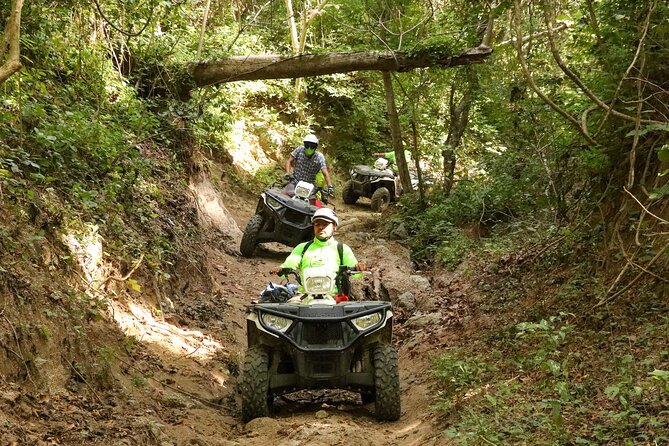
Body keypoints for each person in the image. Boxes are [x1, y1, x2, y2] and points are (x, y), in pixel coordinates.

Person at [270, 208, 366, 302]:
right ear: (314, 227)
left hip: (333, 297)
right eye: (317, 224)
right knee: (290, 310)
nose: (321, 227)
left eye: (325, 224)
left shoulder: (342, 249)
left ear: (334, 227)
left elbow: (357, 274)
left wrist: (358, 268)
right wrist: (281, 269)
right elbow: (289, 264)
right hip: (304, 296)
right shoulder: (302, 247)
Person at [284, 134, 334, 199]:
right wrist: (288, 173)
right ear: (304, 145)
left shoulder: (319, 157)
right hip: (295, 181)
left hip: (309, 186)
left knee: (311, 205)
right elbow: (289, 161)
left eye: (312, 146)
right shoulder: (299, 150)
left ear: (315, 147)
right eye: (307, 145)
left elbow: (325, 173)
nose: (309, 148)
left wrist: (330, 186)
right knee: (283, 195)